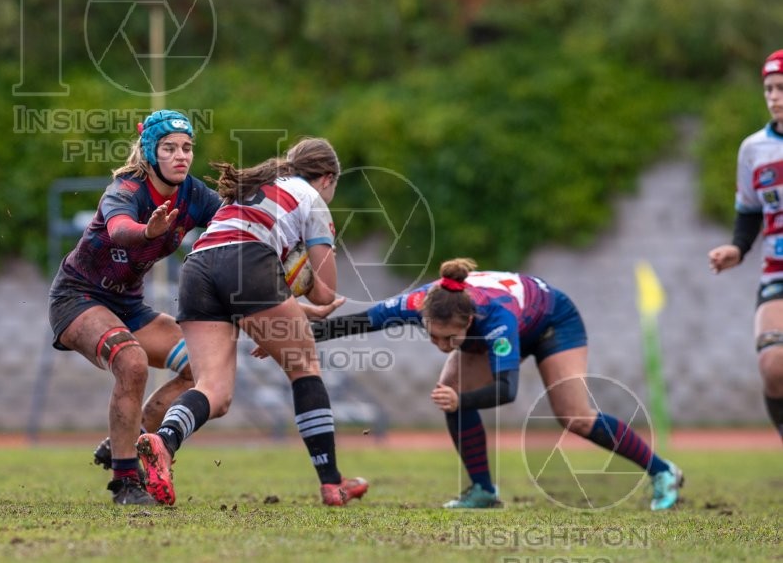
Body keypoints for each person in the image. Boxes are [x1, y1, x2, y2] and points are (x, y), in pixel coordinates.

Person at [311, 259, 684, 510]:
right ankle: (483, 491)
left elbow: (508, 390)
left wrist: (460, 401)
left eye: (451, 339)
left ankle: (662, 471)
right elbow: (359, 322)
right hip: (508, 322)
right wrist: (297, 335)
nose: (441, 346)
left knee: (574, 416)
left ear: (470, 321)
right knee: (450, 388)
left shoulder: (495, 318)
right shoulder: (417, 302)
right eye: (433, 336)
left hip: (553, 321)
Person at [135, 137, 369, 507]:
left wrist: (272, 314)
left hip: (197, 267)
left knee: (214, 391)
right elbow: (325, 293)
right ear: (327, 178)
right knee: (304, 366)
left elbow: (237, 258)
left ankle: (164, 440)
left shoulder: (256, 186)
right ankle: (331, 483)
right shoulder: (312, 198)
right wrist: (301, 273)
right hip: (249, 262)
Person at [48, 109, 221, 505]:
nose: (181, 156)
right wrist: (147, 231)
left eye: (187, 147)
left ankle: (123, 440)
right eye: (169, 148)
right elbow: (119, 230)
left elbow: (235, 225)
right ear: (150, 151)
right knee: (132, 361)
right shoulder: (126, 189)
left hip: (128, 305)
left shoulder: (194, 194)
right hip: (77, 298)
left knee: (204, 366)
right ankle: (125, 482)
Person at [708, 49, 783, 442]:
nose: (774, 97)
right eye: (769, 89)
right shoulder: (753, 149)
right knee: (773, 365)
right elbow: (750, 210)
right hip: (776, 271)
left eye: (781, 88)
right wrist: (737, 248)